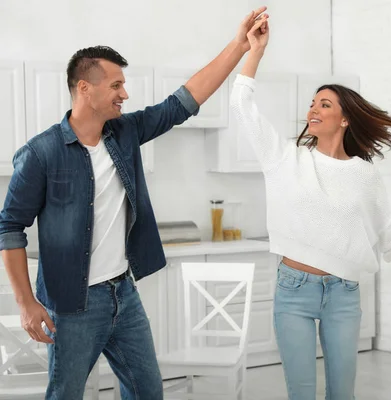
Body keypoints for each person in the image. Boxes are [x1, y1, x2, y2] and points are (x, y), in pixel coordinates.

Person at [0, 6, 268, 399]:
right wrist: (26, 303)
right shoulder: (40, 154)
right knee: (66, 394)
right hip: (72, 304)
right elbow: (9, 227)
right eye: (116, 85)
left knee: (147, 391)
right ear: (84, 88)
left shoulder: (124, 133)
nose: (125, 94)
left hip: (122, 295)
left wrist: (240, 45)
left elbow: (184, 100)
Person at [231, 16, 391, 400]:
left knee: (342, 393)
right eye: (313, 103)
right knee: (301, 393)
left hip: (344, 294)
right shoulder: (285, 158)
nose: (313, 109)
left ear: (345, 118)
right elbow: (241, 104)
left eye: (325, 104)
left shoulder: (364, 175)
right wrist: (256, 51)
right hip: (293, 289)